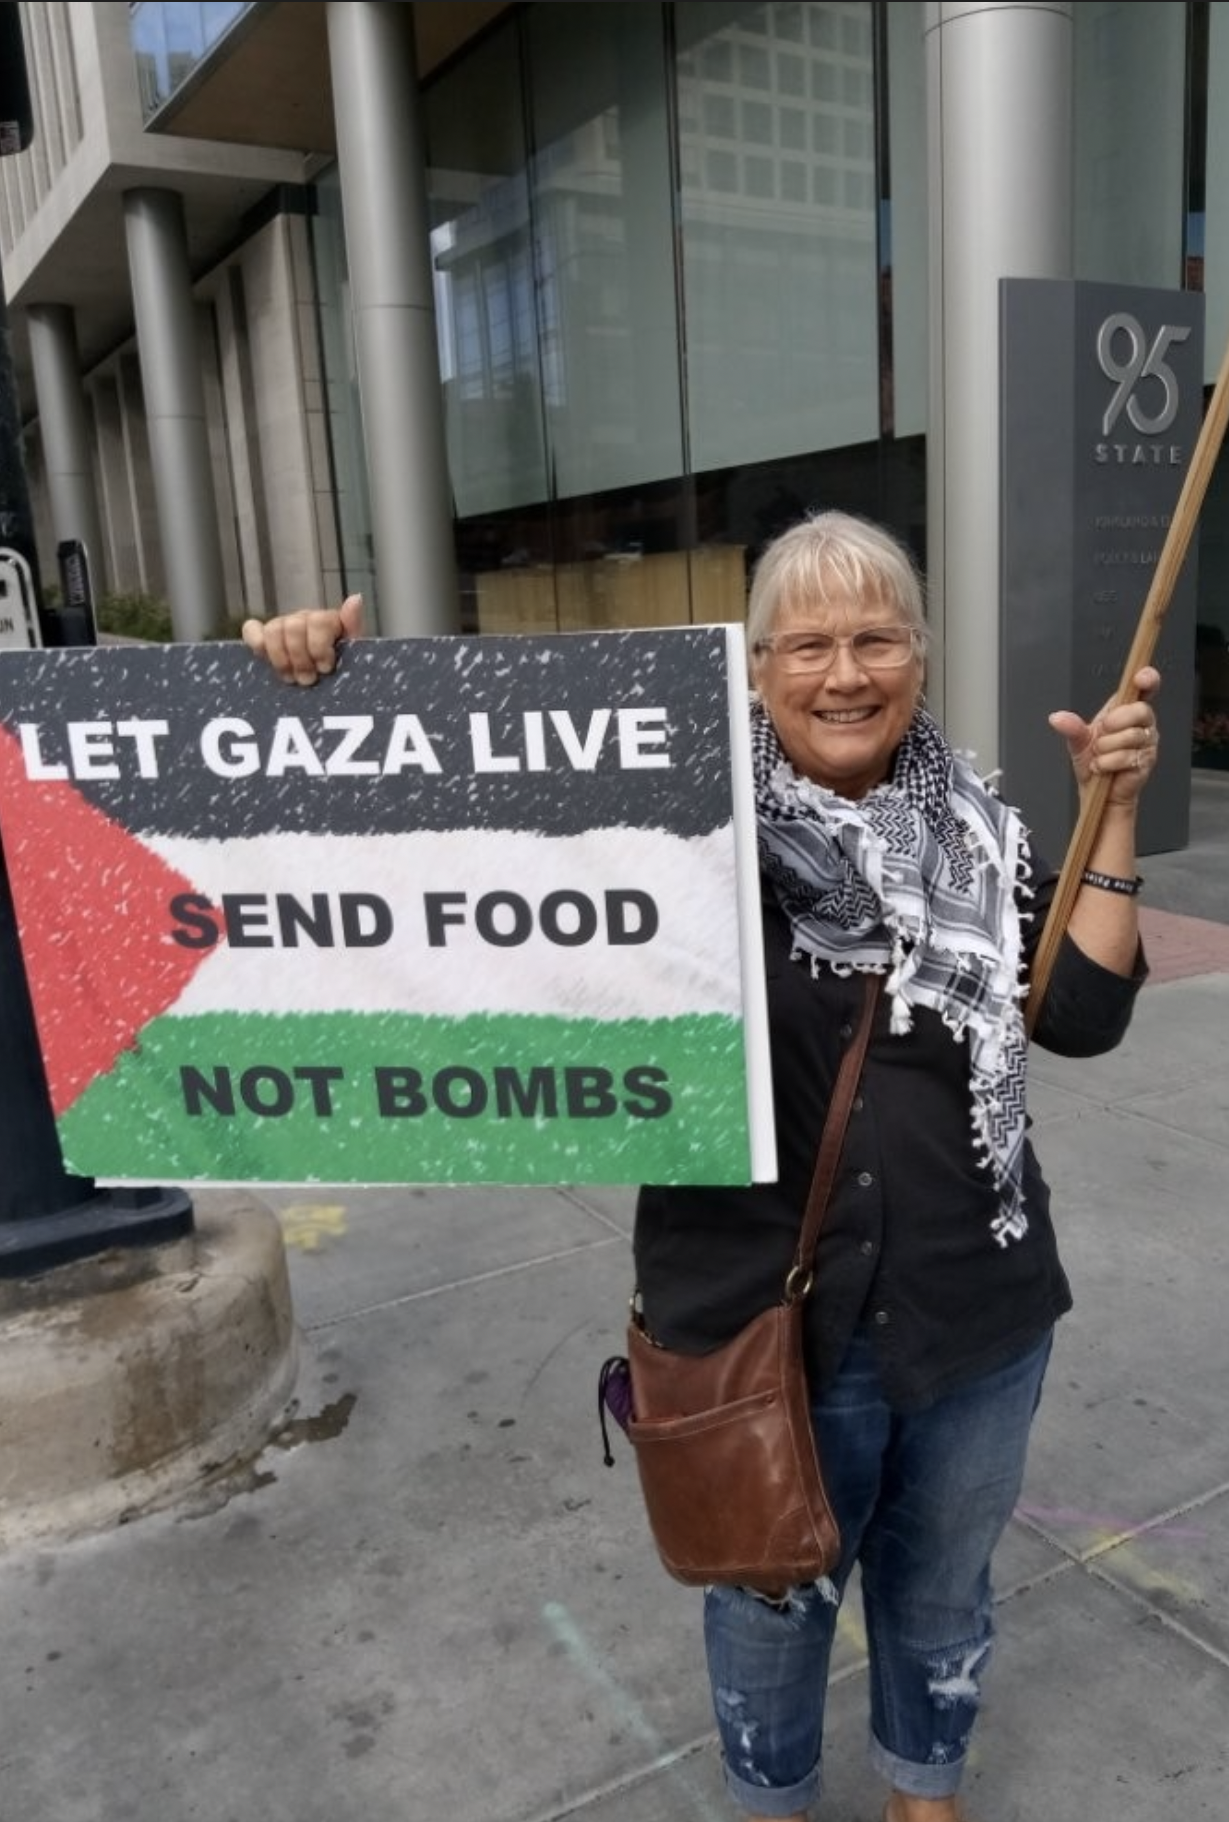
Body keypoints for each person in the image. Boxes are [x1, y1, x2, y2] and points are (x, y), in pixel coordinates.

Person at [243, 508, 1162, 1822]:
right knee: (770, 1604)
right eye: (807, 645)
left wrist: (1112, 812)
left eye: (876, 639)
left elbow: (1081, 1012)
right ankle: (771, 1801)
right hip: (756, 1323)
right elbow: (438, 848)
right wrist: (323, 691)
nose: (844, 673)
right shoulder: (664, 833)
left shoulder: (981, 837)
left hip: (979, 1310)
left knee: (944, 1584)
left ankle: (924, 1793)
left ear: (919, 656)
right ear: (756, 666)